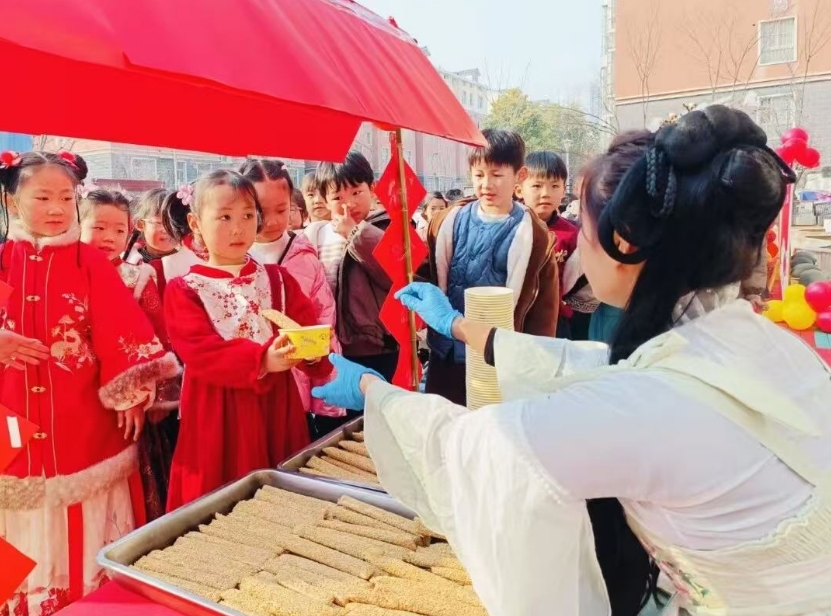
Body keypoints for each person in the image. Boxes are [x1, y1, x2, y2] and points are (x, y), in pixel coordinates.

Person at [313, 106, 831, 616]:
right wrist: (457, 326)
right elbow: (585, 365)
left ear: (622, 243)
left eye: (583, 229)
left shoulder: (646, 404)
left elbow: (482, 450)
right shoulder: (756, 341)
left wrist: (372, 391)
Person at [0, 151, 180, 615]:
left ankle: (88, 600)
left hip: (85, 418)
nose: (58, 208)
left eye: (66, 197)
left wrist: (131, 393)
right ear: (12, 199)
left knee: (87, 504)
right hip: (12, 417)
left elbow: (120, 329)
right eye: (43, 197)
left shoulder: (88, 262)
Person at [164, 170, 331, 508]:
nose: (238, 228)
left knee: (281, 495)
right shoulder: (185, 289)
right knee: (221, 499)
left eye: (247, 215)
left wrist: (310, 352)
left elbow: (306, 327)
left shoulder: (278, 279)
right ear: (196, 223)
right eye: (224, 217)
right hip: (217, 409)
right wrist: (262, 359)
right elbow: (200, 351)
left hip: (277, 403)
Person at [422, 130, 559, 405]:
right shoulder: (447, 222)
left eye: (497, 175)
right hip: (446, 352)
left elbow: (544, 312)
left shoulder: (534, 238)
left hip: (496, 359)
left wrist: (535, 365)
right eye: (479, 175)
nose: (486, 184)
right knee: (443, 421)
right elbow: (425, 276)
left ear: (519, 176)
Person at [80, 188, 180, 522]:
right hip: (76, 395)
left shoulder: (136, 277)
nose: (109, 237)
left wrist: (143, 397)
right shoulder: (63, 276)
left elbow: (157, 340)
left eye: (118, 230)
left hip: (126, 401)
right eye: (98, 227)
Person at [238, 158, 347, 439]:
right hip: (248, 383)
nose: (273, 221)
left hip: (297, 386)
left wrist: (325, 390)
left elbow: (324, 322)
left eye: (281, 209)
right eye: (261, 211)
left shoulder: (305, 256)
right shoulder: (232, 256)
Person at [304, 152, 397, 384]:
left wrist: (355, 233)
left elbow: (393, 275)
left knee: (375, 401)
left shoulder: (386, 227)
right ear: (325, 200)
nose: (349, 204)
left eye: (356, 192)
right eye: (337, 197)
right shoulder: (317, 235)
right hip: (332, 344)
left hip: (376, 345)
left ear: (372, 189)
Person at [520, 151, 597, 340]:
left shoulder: (573, 234)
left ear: (563, 191)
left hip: (555, 318)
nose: (545, 193)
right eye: (537, 186)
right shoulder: (511, 227)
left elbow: (575, 280)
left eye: (554, 186)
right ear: (519, 189)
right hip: (515, 316)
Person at [124, 188, 178, 282]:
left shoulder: (189, 263)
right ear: (140, 224)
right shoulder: (129, 261)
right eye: (159, 223)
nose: (168, 229)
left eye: (174, 223)